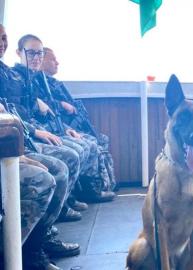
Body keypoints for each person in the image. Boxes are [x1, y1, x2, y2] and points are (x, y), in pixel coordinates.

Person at [0, 23, 78, 270]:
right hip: (11, 146)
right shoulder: (14, 75)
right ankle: (19, 252)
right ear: (20, 53)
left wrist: (57, 126)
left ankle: (37, 243)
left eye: (3, 37)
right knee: (50, 174)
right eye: (31, 53)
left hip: (18, 141)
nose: (1, 42)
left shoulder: (15, 77)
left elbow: (19, 112)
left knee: (66, 162)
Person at [41, 47, 116, 201]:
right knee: (90, 143)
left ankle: (105, 183)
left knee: (101, 139)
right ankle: (89, 192)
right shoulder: (38, 81)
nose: (57, 63)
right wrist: (61, 104)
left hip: (64, 127)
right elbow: (40, 106)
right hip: (52, 129)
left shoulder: (53, 83)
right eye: (53, 59)